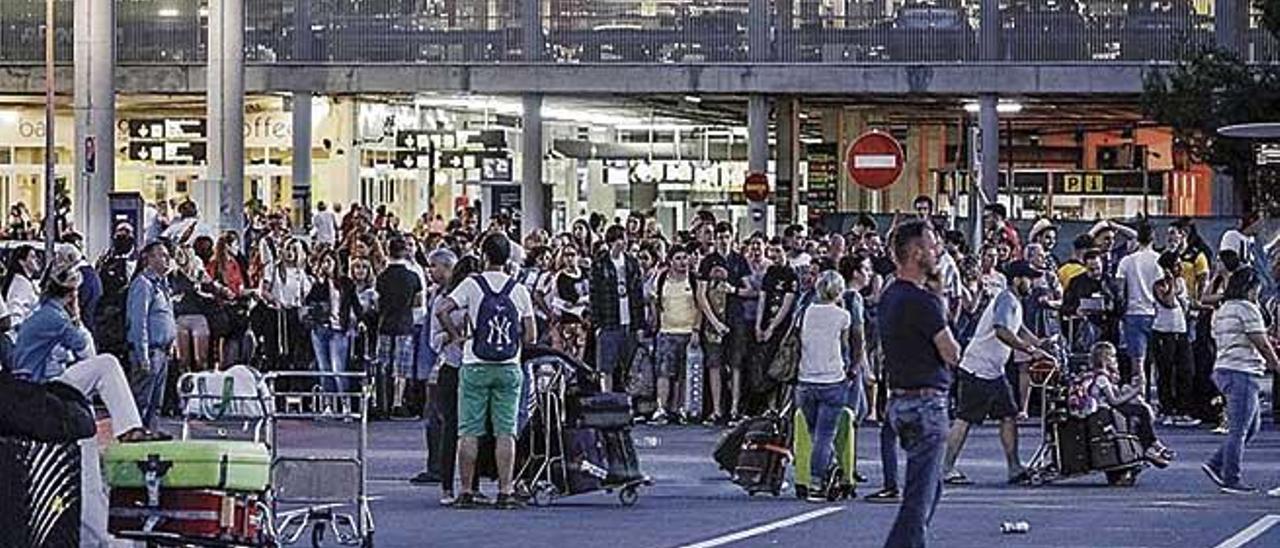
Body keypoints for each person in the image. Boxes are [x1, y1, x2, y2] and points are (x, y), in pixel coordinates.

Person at [10, 252, 169, 442]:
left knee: (87, 420)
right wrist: (76, 317)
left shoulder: (43, 312)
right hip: (42, 389)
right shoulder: (56, 318)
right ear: (72, 294)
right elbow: (86, 348)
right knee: (107, 364)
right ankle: (129, 428)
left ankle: (93, 463)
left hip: (34, 386)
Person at [436, 232, 537, 510]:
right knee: (506, 431)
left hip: (475, 364)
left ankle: (466, 490)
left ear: (484, 256)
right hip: (508, 366)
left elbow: (443, 309)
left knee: (469, 430)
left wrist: (457, 335)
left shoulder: (472, 284)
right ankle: (505, 491)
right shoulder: (519, 289)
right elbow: (530, 335)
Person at [878, 220, 961, 548]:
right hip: (926, 400)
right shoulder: (923, 302)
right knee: (919, 496)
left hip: (900, 398)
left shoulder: (890, 295)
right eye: (930, 246)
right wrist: (939, 300)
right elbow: (951, 352)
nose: (936, 251)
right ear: (915, 253)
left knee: (930, 486)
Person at [943, 261, 1054, 486]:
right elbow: (1002, 331)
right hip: (978, 369)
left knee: (1008, 415)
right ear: (1016, 280)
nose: (1032, 283)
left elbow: (1019, 328)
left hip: (993, 371)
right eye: (1028, 278)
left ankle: (1014, 467)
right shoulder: (1006, 299)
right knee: (964, 419)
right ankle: (945, 468)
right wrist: (1030, 351)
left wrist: (1040, 343)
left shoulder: (1014, 302)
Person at [1204, 269, 1280, 495]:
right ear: (1250, 288)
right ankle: (1231, 478)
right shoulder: (1247, 309)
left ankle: (1216, 463)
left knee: (1251, 425)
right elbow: (1261, 342)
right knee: (1239, 429)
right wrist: (1276, 364)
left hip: (1226, 366)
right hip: (1242, 370)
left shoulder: (1224, 308)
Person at [797, 270, 852, 502]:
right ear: (839, 291)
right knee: (825, 435)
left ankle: (825, 473)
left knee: (813, 432)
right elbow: (846, 347)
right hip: (832, 378)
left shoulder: (805, 312)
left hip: (806, 378)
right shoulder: (842, 316)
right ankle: (818, 481)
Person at [1082, 342, 1173, 468]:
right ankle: (1153, 445)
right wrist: (1135, 391)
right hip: (1104, 411)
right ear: (1104, 359)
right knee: (1141, 411)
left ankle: (1150, 445)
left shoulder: (1104, 376)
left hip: (1107, 409)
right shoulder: (1101, 378)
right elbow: (1113, 400)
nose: (1115, 360)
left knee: (1139, 410)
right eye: (1112, 357)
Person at [696, 221, 746, 424]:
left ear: (732, 238)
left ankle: (734, 408)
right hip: (713, 319)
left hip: (736, 317)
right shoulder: (707, 261)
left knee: (736, 364)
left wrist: (734, 290)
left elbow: (751, 290)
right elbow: (701, 294)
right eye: (720, 237)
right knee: (714, 364)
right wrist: (714, 321)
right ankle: (717, 410)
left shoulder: (739, 260)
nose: (723, 241)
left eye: (726, 237)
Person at [126, 242, 178, 428]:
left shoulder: (162, 285)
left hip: (163, 352)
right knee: (142, 401)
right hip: (150, 351)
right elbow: (138, 322)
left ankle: (150, 441)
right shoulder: (143, 284)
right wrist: (143, 354)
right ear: (149, 258)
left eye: (167, 255)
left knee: (156, 405)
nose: (167, 259)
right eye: (162, 255)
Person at [590, 225, 645, 392]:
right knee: (606, 367)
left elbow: (638, 294)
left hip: (629, 321)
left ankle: (628, 401)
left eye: (624, 238)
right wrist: (597, 324)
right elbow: (595, 296)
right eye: (618, 239)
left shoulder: (632, 263)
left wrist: (640, 324)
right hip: (609, 321)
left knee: (629, 365)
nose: (622, 243)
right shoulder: (600, 264)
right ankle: (607, 398)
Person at [652, 244, 700, 424]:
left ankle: (679, 408)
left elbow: (700, 306)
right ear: (671, 261)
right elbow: (655, 303)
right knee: (664, 373)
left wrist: (696, 330)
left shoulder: (693, 280)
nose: (682, 262)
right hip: (666, 332)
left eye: (685, 258)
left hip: (687, 332)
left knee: (682, 375)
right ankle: (661, 408)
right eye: (678, 259)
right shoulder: (662, 278)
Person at [376, 237, 425, 417]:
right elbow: (418, 302)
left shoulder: (382, 277)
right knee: (402, 366)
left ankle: (382, 401)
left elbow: (377, 302)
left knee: (383, 364)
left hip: (385, 324)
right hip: (405, 324)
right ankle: (398, 402)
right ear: (404, 251)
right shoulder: (413, 276)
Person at [303, 250, 359, 400]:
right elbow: (308, 302)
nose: (326, 266)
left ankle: (345, 403)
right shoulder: (318, 285)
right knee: (324, 369)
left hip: (339, 330)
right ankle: (328, 403)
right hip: (320, 329)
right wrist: (319, 282)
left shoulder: (346, 283)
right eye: (323, 262)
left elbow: (355, 305)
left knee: (338, 369)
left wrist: (358, 321)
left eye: (329, 262)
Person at [1152, 251, 1196, 426]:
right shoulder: (1158, 284)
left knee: (1185, 370)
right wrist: (1169, 281)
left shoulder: (1182, 282)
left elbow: (1186, 304)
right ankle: (1167, 409)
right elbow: (1169, 302)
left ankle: (1183, 409)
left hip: (1181, 330)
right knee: (1166, 371)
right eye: (1176, 265)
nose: (1180, 268)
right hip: (1163, 331)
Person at [1116, 223, 1161, 390]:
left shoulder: (1126, 261)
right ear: (1153, 238)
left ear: (1137, 239)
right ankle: (1156, 397)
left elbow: (1119, 289)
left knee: (1137, 360)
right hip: (1156, 314)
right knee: (1158, 361)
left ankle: (1139, 396)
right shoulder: (1159, 260)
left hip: (1133, 313)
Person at [4, 244, 42, 326]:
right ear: (22, 262)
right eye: (32, 257)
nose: (37, 260)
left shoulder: (29, 282)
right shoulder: (20, 283)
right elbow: (14, 310)